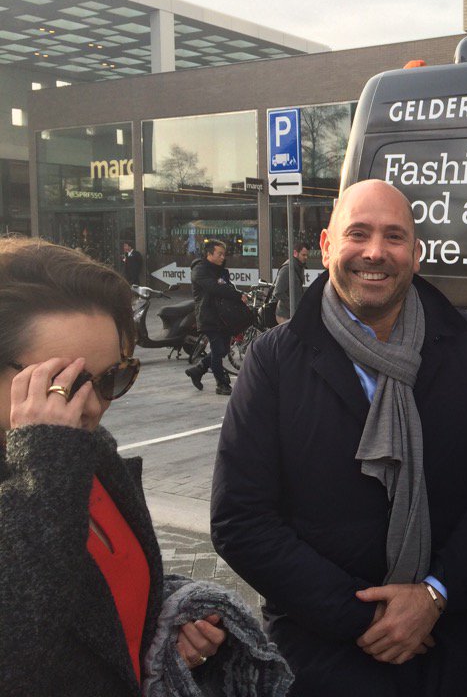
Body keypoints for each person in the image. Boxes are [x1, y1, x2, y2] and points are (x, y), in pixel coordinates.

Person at [211, 179, 467, 696]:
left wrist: (434, 596)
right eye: (358, 233)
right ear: (327, 245)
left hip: (449, 647)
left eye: (394, 236)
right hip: (322, 654)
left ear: (416, 254)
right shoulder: (275, 360)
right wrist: (364, 617)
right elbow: (240, 518)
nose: (375, 252)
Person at [0, 237, 291, 696]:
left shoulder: (88, 455)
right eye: (63, 383)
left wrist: (164, 622)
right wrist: (46, 457)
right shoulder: (56, 454)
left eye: (112, 378)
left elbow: (104, 600)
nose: (93, 406)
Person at [185, 239, 245, 396]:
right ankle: (222, 383)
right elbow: (215, 288)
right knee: (218, 350)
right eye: (219, 254)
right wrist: (237, 295)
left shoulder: (221, 271)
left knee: (223, 349)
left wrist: (237, 295)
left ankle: (198, 370)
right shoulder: (200, 270)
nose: (222, 257)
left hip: (223, 316)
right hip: (208, 316)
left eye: (224, 254)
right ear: (209, 254)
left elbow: (226, 286)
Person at [273, 242, 309, 324]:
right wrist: (292, 306)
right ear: (295, 253)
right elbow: (278, 292)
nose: (306, 257)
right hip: (285, 315)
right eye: (303, 255)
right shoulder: (287, 269)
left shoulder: (298, 267)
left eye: (307, 255)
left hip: (293, 314)